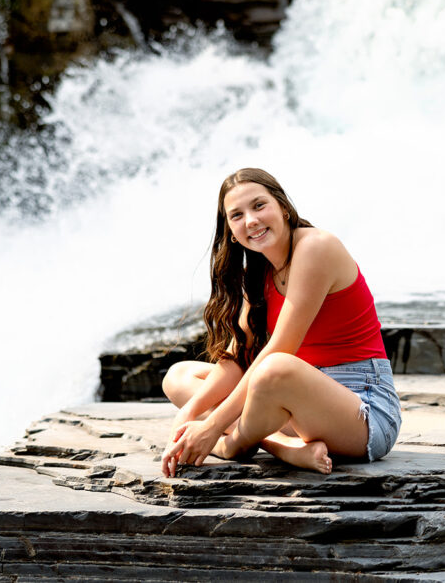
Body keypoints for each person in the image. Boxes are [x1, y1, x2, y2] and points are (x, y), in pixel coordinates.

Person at [160, 167, 401, 477]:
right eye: (237, 215)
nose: (251, 220)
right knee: (179, 376)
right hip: (297, 402)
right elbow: (238, 359)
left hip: (364, 414)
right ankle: (284, 447)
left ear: (284, 208)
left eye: (259, 205)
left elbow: (279, 349)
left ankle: (231, 446)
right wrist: (187, 416)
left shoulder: (316, 247)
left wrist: (212, 427)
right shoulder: (258, 274)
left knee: (275, 368)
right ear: (231, 232)